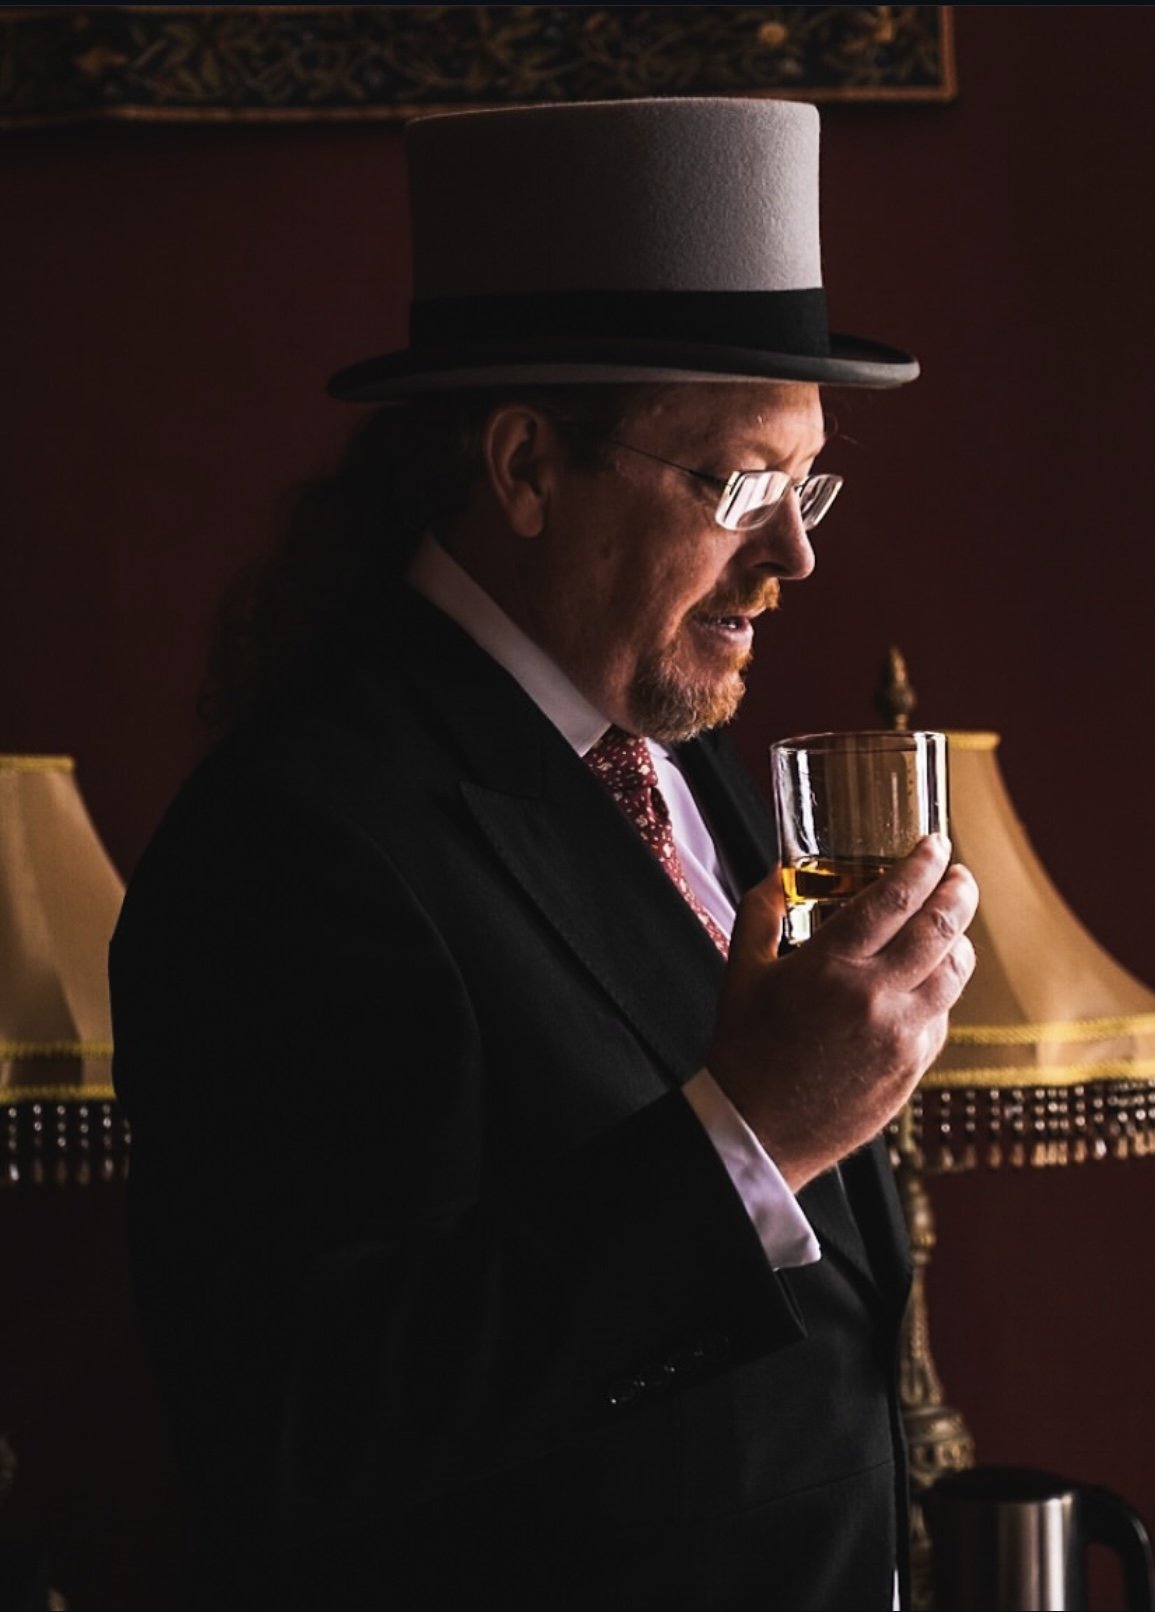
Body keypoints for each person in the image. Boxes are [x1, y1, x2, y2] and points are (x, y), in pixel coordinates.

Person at [110, 98, 977, 1611]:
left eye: (806, 481)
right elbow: (297, 1428)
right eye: (738, 485)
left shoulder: (676, 753)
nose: (797, 559)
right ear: (522, 466)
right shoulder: (296, 839)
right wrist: (751, 1133)